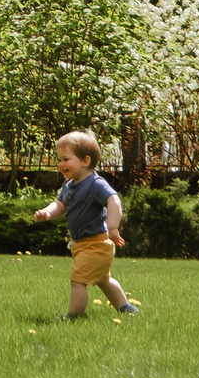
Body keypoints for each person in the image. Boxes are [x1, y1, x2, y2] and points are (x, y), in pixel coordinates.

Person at [33, 129, 141, 319]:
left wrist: (113, 227)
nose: (60, 164)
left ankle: (74, 316)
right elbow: (60, 205)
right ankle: (125, 308)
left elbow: (113, 200)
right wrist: (47, 213)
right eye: (59, 160)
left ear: (85, 161)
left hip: (96, 243)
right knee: (103, 279)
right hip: (83, 245)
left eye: (66, 159)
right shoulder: (69, 185)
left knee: (78, 280)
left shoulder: (95, 183)